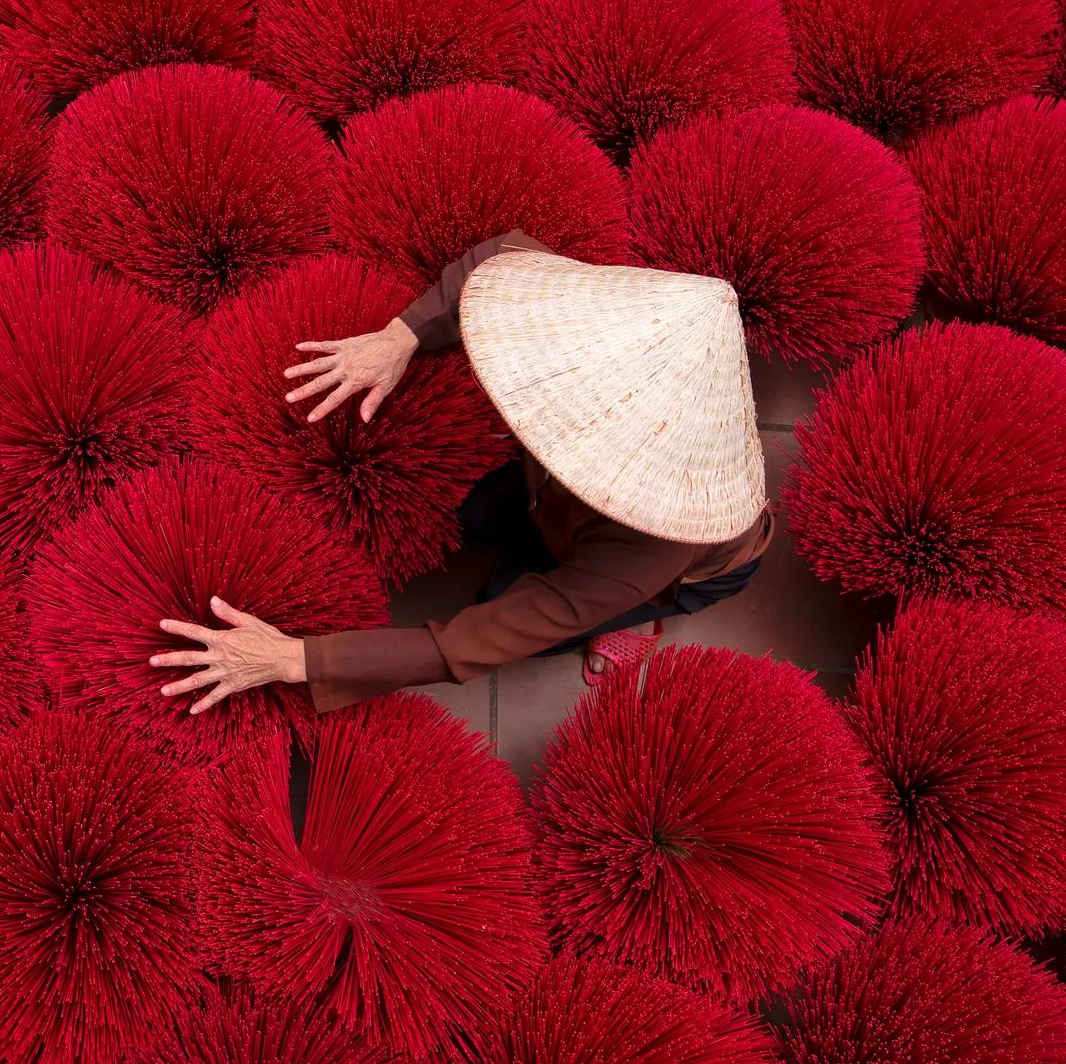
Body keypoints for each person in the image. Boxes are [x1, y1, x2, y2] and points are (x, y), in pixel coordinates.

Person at [152, 232, 774, 716]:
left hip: (668, 572)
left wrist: (294, 659)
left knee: (502, 605)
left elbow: (474, 642)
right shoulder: (613, 329)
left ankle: (643, 619)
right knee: (474, 514)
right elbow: (502, 256)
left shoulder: (653, 546)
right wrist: (400, 339)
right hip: (554, 502)